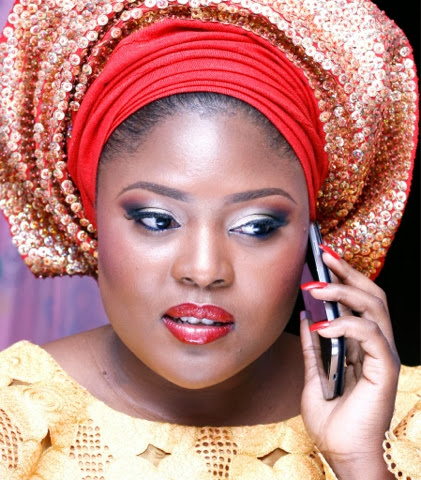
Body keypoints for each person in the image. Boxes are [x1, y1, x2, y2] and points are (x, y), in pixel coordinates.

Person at [0, 0, 419, 479]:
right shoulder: (14, 419)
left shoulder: (404, 423)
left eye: (257, 226)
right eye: (157, 220)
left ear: (313, 239)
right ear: (88, 214)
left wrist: (361, 462)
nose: (203, 270)